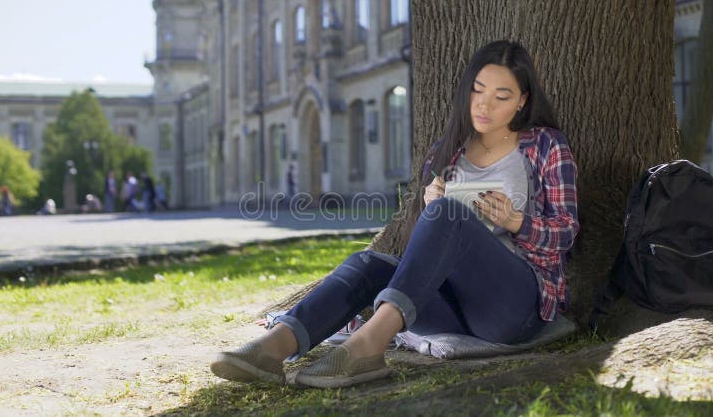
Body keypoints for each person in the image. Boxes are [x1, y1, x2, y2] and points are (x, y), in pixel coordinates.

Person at [210, 40, 580, 388]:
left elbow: (566, 231)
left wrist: (517, 221)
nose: (484, 105)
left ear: (522, 101)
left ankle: (366, 348)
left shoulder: (545, 145)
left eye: (501, 96)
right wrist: (431, 205)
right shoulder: (448, 150)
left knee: (449, 213)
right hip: (452, 306)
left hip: (514, 305)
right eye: (478, 91)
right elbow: (429, 249)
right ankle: (274, 347)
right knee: (368, 264)